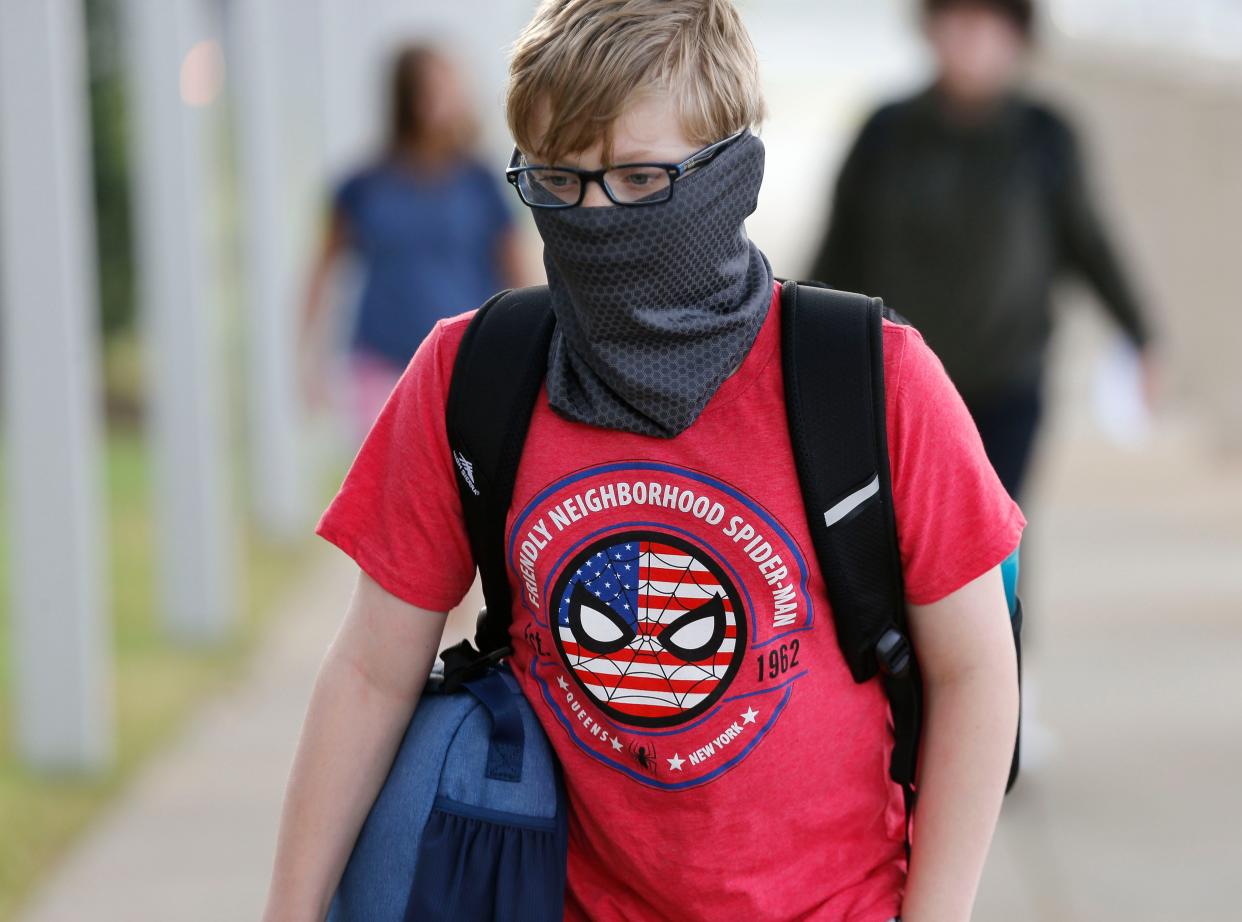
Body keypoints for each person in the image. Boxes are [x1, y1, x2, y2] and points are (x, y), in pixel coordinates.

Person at [263, 2, 1023, 920]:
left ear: (731, 170)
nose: (596, 214)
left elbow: (976, 671)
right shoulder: (473, 377)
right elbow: (370, 673)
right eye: (560, 181)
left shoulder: (872, 380)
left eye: (638, 177)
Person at [809, 0, 1157, 501]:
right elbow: (838, 245)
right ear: (931, 31)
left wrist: (1139, 334)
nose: (971, 40)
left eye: (988, 25)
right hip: (899, 379)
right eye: (958, 22)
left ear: (1016, 38)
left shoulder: (1045, 135)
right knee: (901, 532)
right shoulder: (884, 131)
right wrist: (804, 345)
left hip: (1008, 378)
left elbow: (1089, 243)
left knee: (997, 530)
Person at [299, 42, 525, 440]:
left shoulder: (481, 184)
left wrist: (524, 356)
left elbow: (516, 273)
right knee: (389, 486)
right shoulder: (362, 186)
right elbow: (321, 272)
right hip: (380, 364)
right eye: (429, 88)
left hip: (466, 362)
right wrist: (309, 361)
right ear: (405, 97)